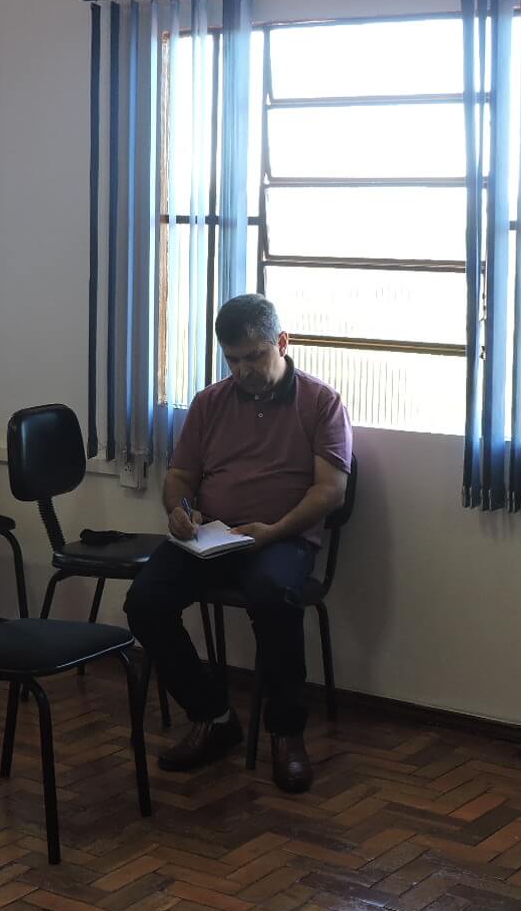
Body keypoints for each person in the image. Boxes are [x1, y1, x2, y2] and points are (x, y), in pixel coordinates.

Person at [124, 293, 352, 793]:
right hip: (213, 535)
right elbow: (180, 476)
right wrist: (179, 512)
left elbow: (331, 491)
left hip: (281, 537)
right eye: (233, 360)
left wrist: (275, 530)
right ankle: (213, 716)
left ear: (282, 343)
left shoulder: (321, 402)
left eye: (254, 356)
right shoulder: (211, 402)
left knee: (273, 596)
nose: (243, 370)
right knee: (144, 602)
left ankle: (286, 733)